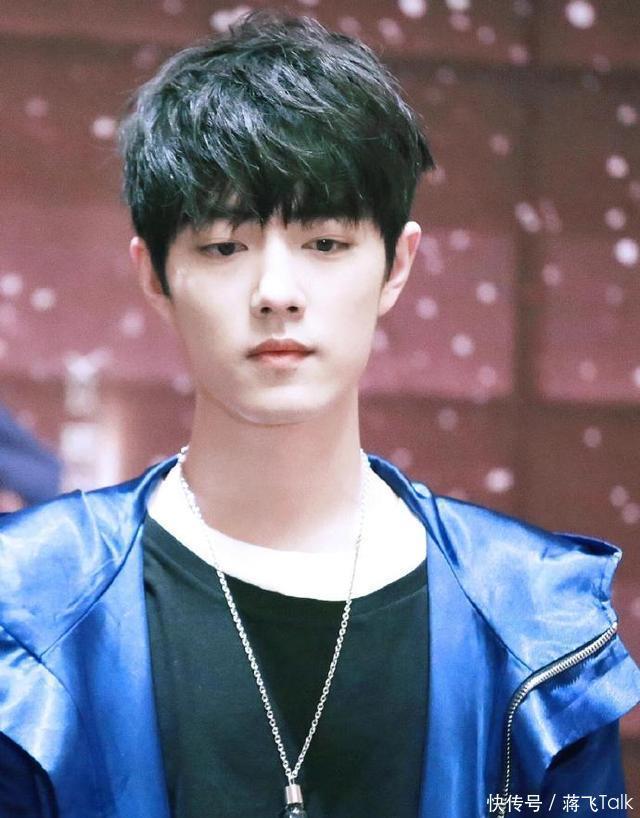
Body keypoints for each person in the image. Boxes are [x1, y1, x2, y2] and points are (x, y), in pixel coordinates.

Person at [1, 10, 639, 818]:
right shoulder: (26, 604)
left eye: (326, 243)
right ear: (154, 275)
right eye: (224, 246)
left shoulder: (534, 616)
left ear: (397, 263)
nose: (277, 292)